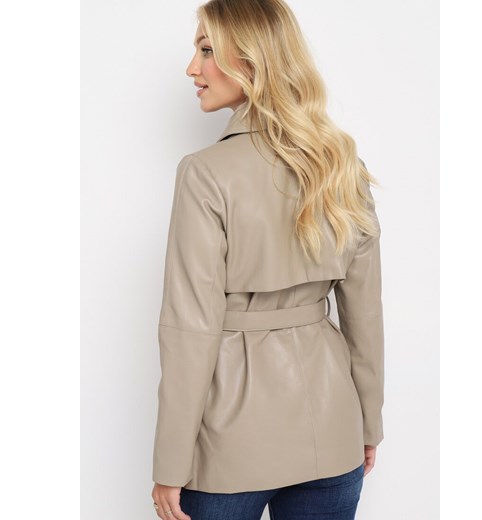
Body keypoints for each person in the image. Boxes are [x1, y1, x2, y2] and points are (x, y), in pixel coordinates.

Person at [151, 1, 384, 519]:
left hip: (230, 446)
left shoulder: (205, 173)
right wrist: (369, 423)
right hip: (334, 430)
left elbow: (190, 329)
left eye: (206, 50)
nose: (192, 68)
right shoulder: (341, 164)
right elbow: (364, 315)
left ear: (252, 61)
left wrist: (170, 462)